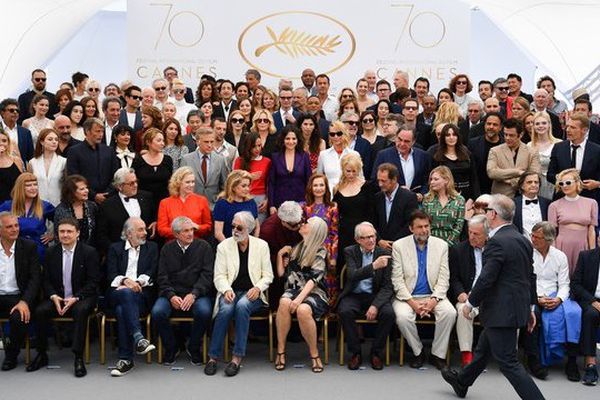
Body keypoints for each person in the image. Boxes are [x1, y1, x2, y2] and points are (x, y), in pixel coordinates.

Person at [441, 194, 544, 400]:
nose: (485, 213)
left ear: (493, 214)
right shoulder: (522, 240)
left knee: (508, 362)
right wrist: (531, 306)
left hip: (501, 311)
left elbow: (487, 279)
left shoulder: (496, 242)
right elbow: (529, 276)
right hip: (513, 308)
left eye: (487, 210)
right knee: (483, 351)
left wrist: (470, 303)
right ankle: (462, 382)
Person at [27, 217, 99, 377]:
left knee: (80, 311)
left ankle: (78, 357)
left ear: (77, 233)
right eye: (62, 232)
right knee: (40, 311)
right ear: (57, 234)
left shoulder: (89, 252)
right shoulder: (50, 252)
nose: (65, 235)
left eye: (69, 231)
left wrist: (77, 297)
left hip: (81, 297)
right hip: (57, 297)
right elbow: (44, 280)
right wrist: (53, 296)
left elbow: (93, 282)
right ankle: (42, 354)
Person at [205, 211, 273, 377]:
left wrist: (257, 288)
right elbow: (219, 276)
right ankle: (213, 357)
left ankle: (236, 358)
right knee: (226, 310)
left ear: (249, 229)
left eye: (239, 227)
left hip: (253, 293)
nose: (234, 230)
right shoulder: (223, 246)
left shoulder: (261, 245)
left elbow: (268, 275)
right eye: (233, 226)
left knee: (242, 306)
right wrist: (226, 289)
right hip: (230, 291)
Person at [391, 210, 456, 370]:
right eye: (419, 227)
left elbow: (444, 277)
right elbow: (397, 280)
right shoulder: (399, 246)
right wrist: (413, 303)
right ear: (411, 228)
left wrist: (433, 300)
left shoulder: (441, 245)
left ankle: (437, 354)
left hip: (433, 295)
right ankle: (418, 351)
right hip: (407, 296)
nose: (424, 230)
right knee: (402, 317)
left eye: (426, 226)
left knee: (450, 313)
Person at [151, 216, 214, 365]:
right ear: (176, 234)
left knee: (204, 311)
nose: (190, 233)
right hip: (172, 293)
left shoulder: (204, 247)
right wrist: (171, 296)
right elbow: (162, 276)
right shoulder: (167, 249)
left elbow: (207, 276)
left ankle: (194, 347)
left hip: (196, 294)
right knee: (158, 312)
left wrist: (194, 294)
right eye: (186, 231)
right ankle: (171, 347)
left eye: (192, 229)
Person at [524, 222, 581, 381]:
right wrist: (537, 299)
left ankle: (571, 361)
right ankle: (533, 360)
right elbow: (524, 281)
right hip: (532, 296)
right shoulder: (527, 253)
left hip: (554, 295)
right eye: (532, 236)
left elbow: (564, 284)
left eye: (537, 237)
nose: (533, 239)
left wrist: (558, 299)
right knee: (532, 314)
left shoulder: (560, 256)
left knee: (573, 314)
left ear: (549, 240)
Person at [338, 221, 395, 370]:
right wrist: (374, 266)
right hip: (354, 294)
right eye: (366, 237)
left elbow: (388, 286)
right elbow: (352, 276)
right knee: (345, 311)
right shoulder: (350, 251)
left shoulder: (384, 254)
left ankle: (376, 353)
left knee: (388, 313)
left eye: (373, 236)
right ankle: (355, 353)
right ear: (358, 240)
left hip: (375, 294)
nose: (371, 240)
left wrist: (375, 305)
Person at [275, 217, 329, 373]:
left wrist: (298, 300)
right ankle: (281, 350)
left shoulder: (320, 250)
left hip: (315, 292)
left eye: (306, 223)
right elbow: (282, 275)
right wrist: (280, 255)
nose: (303, 224)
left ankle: (314, 354)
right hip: (294, 289)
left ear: (314, 231)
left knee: (303, 310)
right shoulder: (297, 248)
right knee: (284, 302)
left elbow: (314, 279)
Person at [106, 217, 158, 377]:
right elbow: (110, 275)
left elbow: (152, 273)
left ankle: (126, 359)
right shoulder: (115, 249)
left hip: (141, 296)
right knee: (125, 294)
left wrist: (136, 283)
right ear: (129, 234)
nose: (145, 233)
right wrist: (125, 280)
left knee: (123, 310)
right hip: (117, 294)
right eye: (140, 230)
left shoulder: (152, 248)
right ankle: (139, 338)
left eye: (145, 229)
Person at [0, 212, 40, 371]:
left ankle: (11, 355)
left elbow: (35, 278)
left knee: (19, 317)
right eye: (9, 226)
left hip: (18, 297)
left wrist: (24, 301)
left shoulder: (28, 247)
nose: (14, 229)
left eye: (16, 225)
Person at [449, 215, 488, 367]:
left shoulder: (495, 249)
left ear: (486, 234)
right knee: (463, 311)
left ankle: (506, 353)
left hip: (488, 297)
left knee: (508, 310)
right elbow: (454, 278)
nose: (471, 236)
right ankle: (466, 355)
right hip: (467, 296)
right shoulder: (458, 250)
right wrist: (460, 293)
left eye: (476, 234)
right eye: (470, 232)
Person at [96, 168, 156, 255]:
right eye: (131, 183)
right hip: (120, 254)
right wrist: (115, 251)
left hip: (145, 252)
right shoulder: (107, 205)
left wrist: (155, 222)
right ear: (120, 186)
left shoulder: (147, 197)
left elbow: (153, 218)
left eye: (136, 181)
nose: (135, 185)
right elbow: (101, 234)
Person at [548, 168, 597, 275]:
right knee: (563, 277)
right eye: (561, 183)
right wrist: (553, 252)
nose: (564, 185)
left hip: (583, 245)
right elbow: (551, 232)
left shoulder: (591, 203)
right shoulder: (554, 205)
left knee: (583, 277)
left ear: (577, 183)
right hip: (562, 246)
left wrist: (592, 252)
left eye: (568, 182)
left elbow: (592, 229)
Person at [0, 172, 54, 260]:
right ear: (20, 188)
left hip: (38, 252)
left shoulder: (44, 206)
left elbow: (62, 219)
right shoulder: (8, 206)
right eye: (28, 185)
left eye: (35, 184)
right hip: (14, 251)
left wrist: (54, 235)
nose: (33, 188)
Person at [302, 174, 339, 303]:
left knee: (328, 279)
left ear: (326, 187)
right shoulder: (304, 207)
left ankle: (328, 308)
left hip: (327, 249)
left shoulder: (332, 207)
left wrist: (333, 257)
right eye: (315, 185)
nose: (318, 188)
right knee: (311, 278)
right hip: (310, 248)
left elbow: (335, 233)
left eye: (321, 185)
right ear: (310, 188)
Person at [333, 153, 374, 268]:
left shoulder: (367, 186)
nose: (351, 174)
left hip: (363, 233)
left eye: (354, 171)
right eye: (348, 171)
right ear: (343, 170)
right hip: (344, 233)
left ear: (359, 170)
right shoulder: (337, 188)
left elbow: (372, 213)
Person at [548, 113, 600, 201]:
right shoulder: (558, 147)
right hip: (562, 198)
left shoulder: (596, 150)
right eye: (567, 126)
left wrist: (597, 184)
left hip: (588, 199)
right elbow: (550, 175)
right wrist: (561, 180)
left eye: (573, 127)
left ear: (584, 130)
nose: (568, 130)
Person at [66, 117, 119, 204]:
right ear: (87, 131)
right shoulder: (74, 151)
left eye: (102, 131)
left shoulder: (109, 151)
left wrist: (107, 193)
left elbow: (115, 175)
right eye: (97, 131)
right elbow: (73, 178)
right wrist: (93, 195)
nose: (101, 134)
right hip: (85, 200)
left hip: (108, 199)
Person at [372, 124, 432, 199]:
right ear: (396, 137)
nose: (402, 144)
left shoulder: (422, 156)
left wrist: (421, 194)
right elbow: (375, 180)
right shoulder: (383, 155)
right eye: (400, 139)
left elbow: (427, 180)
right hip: (390, 201)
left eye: (406, 141)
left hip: (414, 202)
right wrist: (395, 189)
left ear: (413, 142)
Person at [571, 239, 600, 386]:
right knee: (590, 314)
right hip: (591, 300)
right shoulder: (586, 256)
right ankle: (590, 365)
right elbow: (575, 284)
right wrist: (592, 301)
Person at [487, 118, 541, 198]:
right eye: (505, 134)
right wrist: (518, 172)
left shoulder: (532, 152)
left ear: (521, 135)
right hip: (501, 198)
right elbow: (492, 172)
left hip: (526, 197)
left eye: (511, 135)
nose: (507, 138)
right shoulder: (495, 151)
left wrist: (511, 181)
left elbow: (535, 174)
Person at [157, 166, 211, 240]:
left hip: (196, 243)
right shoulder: (165, 203)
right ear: (178, 183)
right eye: (187, 182)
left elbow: (208, 226)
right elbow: (161, 230)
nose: (191, 185)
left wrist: (197, 227)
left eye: (193, 182)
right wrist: (180, 231)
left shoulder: (202, 200)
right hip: (173, 245)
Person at [180, 127, 228, 209]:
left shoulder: (220, 160)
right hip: (191, 207)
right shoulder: (186, 159)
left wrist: (220, 201)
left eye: (212, 142)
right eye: (206, 142)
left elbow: (225, 185)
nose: (209, 145)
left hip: (214, 207)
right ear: (198, 141)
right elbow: (180, 185)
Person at [373, 163, 418, 249]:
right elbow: (373, 221)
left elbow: (410, 223)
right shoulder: (377, 198)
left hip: (402, 246)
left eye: (384, 181)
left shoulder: (409, 197)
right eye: (378, 180)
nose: (380, 184)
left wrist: (395, 243)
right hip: (380, 247)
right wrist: (379, 240)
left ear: (394, 179)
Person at [268, 126, 312, 212]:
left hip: (301, 202)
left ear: (298, 140)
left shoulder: (304, 156)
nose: (291, 142)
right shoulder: (275, 157)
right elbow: (271, 182)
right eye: (287, 138)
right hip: (280, 203)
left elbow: (309, 181)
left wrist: (309, 202)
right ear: (283, 140)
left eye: (293, 138)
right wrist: (271, 205)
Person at [432, 124, 479, 203]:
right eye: (448, 135)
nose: (451, 138)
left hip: (467, 197)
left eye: (454, 135)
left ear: (458, 137)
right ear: (443, 137)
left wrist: (473, 199)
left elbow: (474, 178)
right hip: (445, 197)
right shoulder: (437, 157)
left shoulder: (467, 154)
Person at [422, 166, 466, 246]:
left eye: (436, 179)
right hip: (431, 243)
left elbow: (459, 225)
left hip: (452, 244)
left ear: (446, 180)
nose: (432, 182)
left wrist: (447, 244)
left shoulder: (459, 200)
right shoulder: (427, 199)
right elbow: (425, 223)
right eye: (431, 179)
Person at [233, 132, 271, 221]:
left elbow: (270, 182)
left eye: (259, 145)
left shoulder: (267, 161)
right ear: (248, 146)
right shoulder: (240, 161)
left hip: (260, 198)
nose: (257, 149)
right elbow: (233, 180)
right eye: (254, 146)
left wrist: (267, 199)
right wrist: (249, 176)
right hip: (242, 197)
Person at [213, 170, 259, 242]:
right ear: (233, 187)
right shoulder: (222, 204)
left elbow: (257, 228)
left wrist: (253, 244)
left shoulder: (251, 202)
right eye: (243, 186)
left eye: (248, 185)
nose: (247, 189)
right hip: (228, 244)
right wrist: (230, 249)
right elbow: (218, 233)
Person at [53, 175, 98, 246]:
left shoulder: (92, 206)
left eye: (86, 188)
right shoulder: (61, 209)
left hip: (91, 251)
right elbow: (57, 235)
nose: (86, 191)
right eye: (82, 189)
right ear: (72, 192)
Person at [317, 121, 359, 194]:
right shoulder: (323, 155)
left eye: (339, 134)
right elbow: (319, 178)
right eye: (332, 134)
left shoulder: (354, 154)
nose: (336, 137)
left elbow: (360, 177)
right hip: (330, 196)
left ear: (344, 134)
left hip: (349, 194)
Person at [468, 112, 505, 195]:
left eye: (495, 125)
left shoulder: (506, 145)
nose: (491, 127)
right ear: (484, 125)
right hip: (479, 191)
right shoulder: (473, 144)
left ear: (500, 127)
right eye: (488, 124)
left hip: (500, 191)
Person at [26, 128, 65, 207]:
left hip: (58, 204)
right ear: (42, 142)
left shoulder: (64, 162)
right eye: (50, 139)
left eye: (56, 140)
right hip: (38, 205)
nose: (54, 142)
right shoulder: (32, 162)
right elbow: (28, 185)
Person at [528, 111, 561, 199]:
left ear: (549, 124)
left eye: (544, 123)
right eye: (537, 123)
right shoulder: (528, 145)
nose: (541, 126)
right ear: (533, 126)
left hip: (554, 185)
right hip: (535, 185)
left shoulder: (559, 143)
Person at [512, 171, 551, 239]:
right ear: (522, 186)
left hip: (542, 244)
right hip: (521, 244)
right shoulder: (513, 203)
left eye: (536, 182)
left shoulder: (547, 203)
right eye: (529, 182)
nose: (533, 185)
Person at [0, 98, 34, 165]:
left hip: (19, 170)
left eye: (17, 110)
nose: (15, 112)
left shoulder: (26, 132)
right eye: (11, 110)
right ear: (2, 113)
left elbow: (30, 156)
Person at [0, 131, 24, 202]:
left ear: (8, 143)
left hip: (14, 203)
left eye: (4, 141)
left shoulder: (16, 160)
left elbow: (21, 182)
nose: (1, 143)